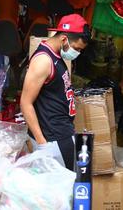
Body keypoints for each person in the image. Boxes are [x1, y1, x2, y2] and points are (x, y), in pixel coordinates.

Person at [20, 14, 91, 171]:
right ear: (64, 39)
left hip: (61, 134)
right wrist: (42, 143)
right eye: (77, 48)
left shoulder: (56, 55)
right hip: (52, 139)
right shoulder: (43, 61)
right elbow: (25, 103)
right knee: (61, 190)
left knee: (66, 187)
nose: (77, 53)